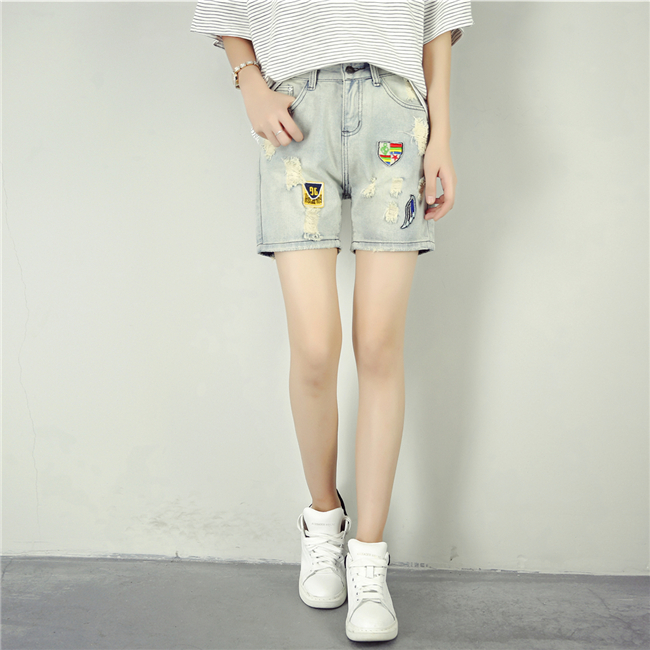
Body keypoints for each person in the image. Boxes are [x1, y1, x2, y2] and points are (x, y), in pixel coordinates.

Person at [190, 0, 473, 642]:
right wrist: (248, 81)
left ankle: (369, 560)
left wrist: (442, 136)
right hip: (296, 111)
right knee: (316, 349)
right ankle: (324, 522)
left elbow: (439, 20)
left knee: (377, 345)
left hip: (395, 111)